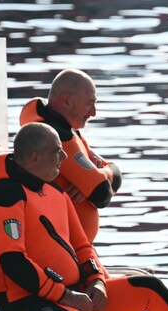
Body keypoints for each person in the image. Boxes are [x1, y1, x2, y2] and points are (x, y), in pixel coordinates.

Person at [0, 122, 168, 311]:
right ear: (35, 157)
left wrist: (97, 281)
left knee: (149, 287)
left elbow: (82, 247)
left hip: (72, 294)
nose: (63, 156)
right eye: (56, 151)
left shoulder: (55, 192)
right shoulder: (4, 196)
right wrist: (65, 296)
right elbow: (14, 262)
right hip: (26, 305)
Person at [19, 68, 121, 244]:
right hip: (60, 248)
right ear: (66, 101)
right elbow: (101, 193)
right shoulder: (57, 138)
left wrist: (99, 175)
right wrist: (97, 177)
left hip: (75, 249)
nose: (94, 112)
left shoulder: (71, 132)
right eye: (90, 103)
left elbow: (116, 174)